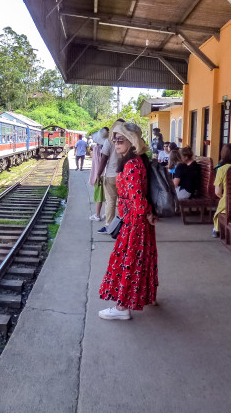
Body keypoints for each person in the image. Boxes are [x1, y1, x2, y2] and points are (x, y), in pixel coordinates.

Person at [98, 122, 158, 320]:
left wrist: (146, 213)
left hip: (134, 222)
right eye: (114, 139)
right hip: (138, 221)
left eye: (120, 139)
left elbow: (137, 199)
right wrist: (148, 214)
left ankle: (122, 308)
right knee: (141, 261)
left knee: (128, 262)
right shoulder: (138, 160)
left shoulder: (131, 165)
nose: (115, 143)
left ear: (131, 142)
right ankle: (147, 297)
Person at [97, 119, 125, 234]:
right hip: (124, 176)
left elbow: (104, 159)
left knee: (111, 202)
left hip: (110, 175)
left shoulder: (109, 141)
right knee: (123, 201)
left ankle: (109, 226)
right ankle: (124, 226)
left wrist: (98, 174)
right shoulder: (127, 140)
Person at [213, 143, 231, 237]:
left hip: (228, 205)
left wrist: (224, 197)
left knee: (220, 210)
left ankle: (216, 230)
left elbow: (217, 192)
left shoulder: (222, 169)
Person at [89, 127, 109, 221]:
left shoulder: (96, 148)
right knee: (108, 196)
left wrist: (97, 175)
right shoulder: (108, 147)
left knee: (99, 196)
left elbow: (97, 163)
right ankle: (106, 213)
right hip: (107, 174)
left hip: (99, 174)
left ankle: (97, 215)